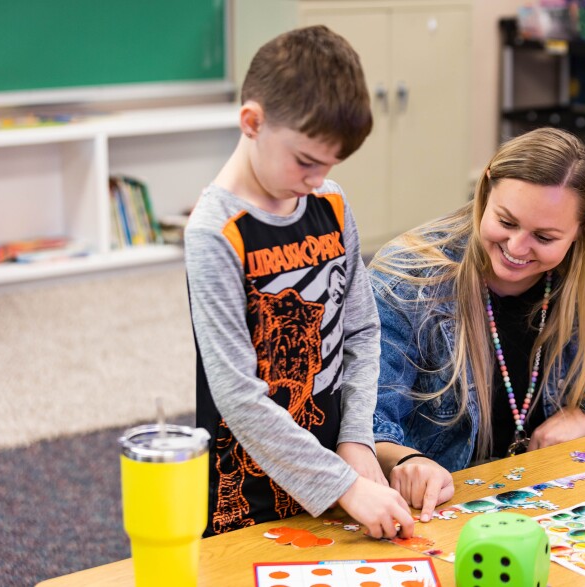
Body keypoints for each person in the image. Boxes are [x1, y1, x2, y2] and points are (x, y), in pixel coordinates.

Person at [369, 127, 585, 521]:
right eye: (506, 221)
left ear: (580, 233)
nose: (517, 248)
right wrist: (408, 461)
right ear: (486, 191)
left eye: (544, 236)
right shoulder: (409, 277)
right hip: (448, 504)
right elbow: (366, 417)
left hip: (567, 492)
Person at [184, 25, 414, 540]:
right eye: (306, 161)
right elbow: (238, 397)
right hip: (245, 490)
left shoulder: (330, 202)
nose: (317, 179)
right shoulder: (215, 232)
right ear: (252, 122)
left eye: (330, 164)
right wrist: (345, 486)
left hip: (336, 464)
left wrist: (355, 439)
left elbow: (361, 331)